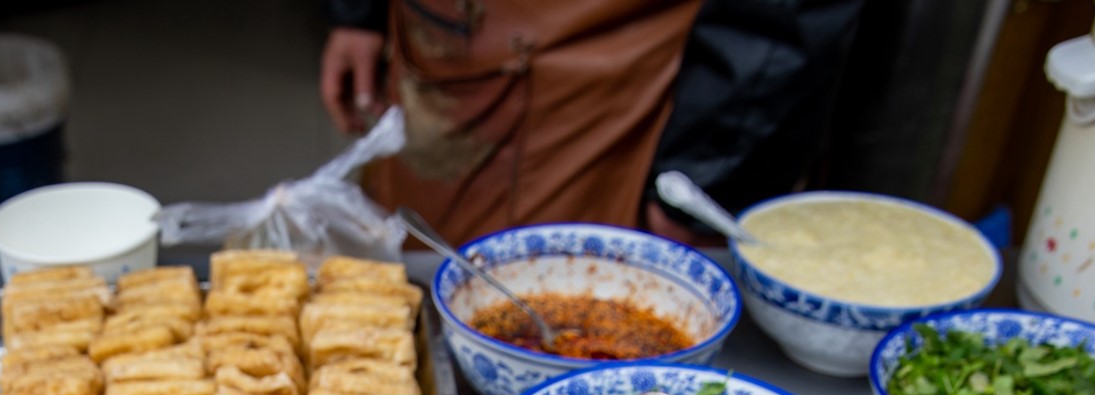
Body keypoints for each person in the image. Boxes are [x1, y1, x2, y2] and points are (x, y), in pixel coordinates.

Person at [321, 0, 868, 244]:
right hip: (433, 48)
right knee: (416, 277)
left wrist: (713, 168)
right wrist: (359, 11)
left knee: (553, 315)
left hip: (598, 71)